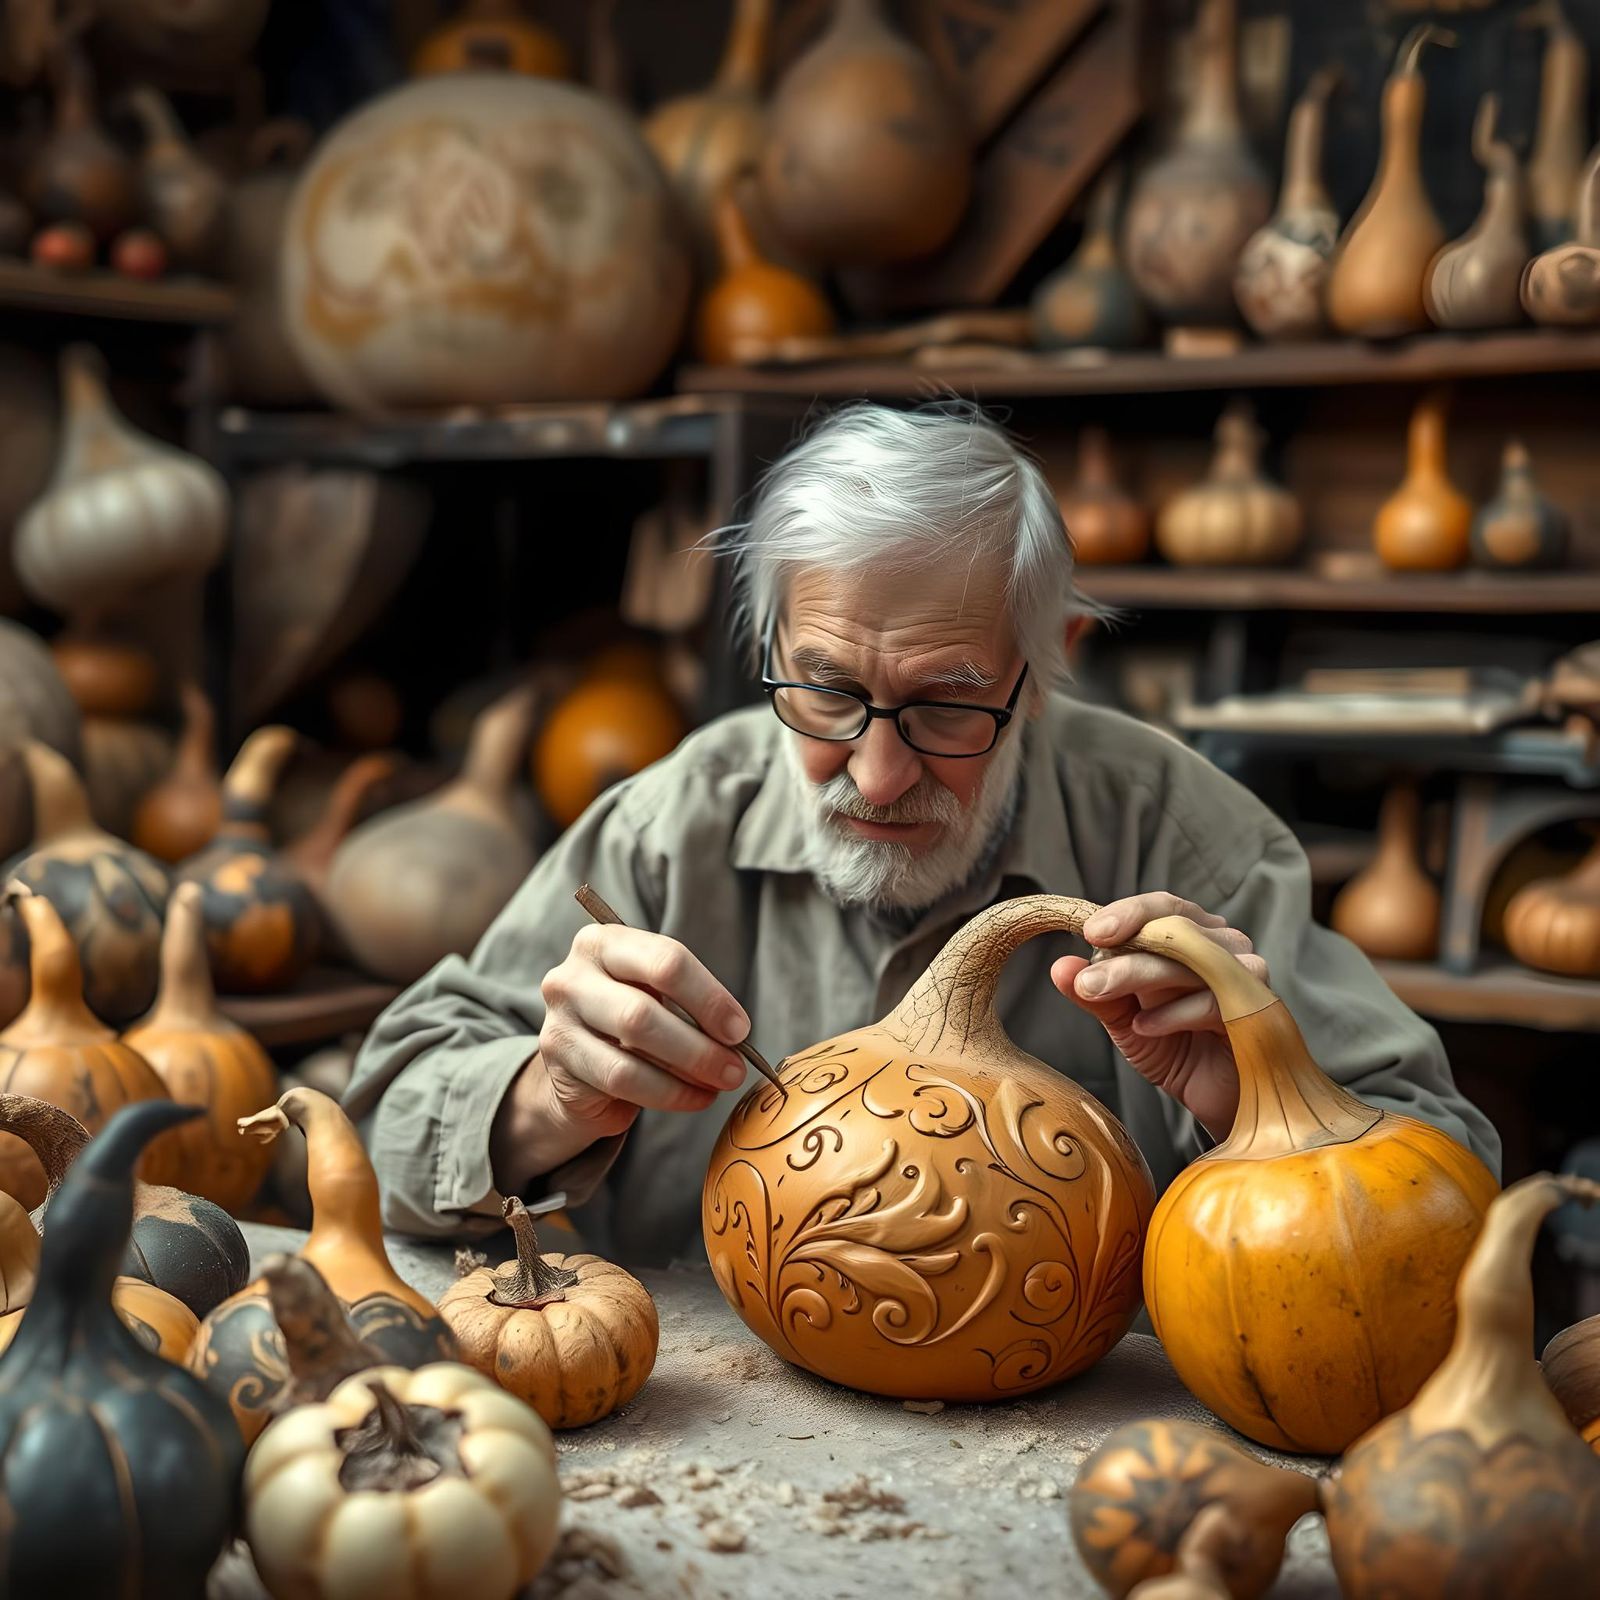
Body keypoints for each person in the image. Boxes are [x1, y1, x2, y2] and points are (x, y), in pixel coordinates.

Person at [345, 403, 1498, 1260]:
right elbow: (382, 1120)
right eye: (826, 689)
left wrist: (1254, 1104)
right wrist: (547, 1097)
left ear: (1044, 670)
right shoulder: (670, 827)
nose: (879, 772)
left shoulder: (1178, 837)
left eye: (947, 704)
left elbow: (1447, 1185)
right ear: (770, 648)